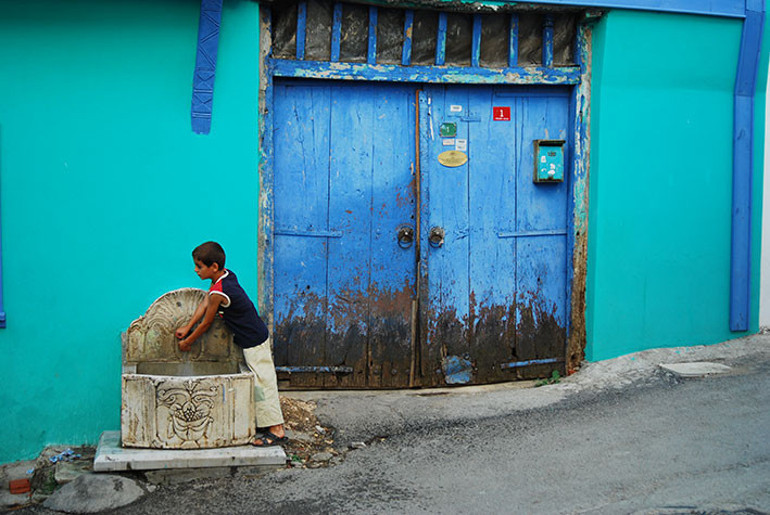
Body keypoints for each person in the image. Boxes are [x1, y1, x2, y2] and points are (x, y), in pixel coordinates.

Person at [175, 241, 287, 446]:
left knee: (264, 383)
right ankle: (266, 423)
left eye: (199, 266)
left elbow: (207, 322)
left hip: (254, 339)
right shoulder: (224, 277)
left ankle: (277, 429)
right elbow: (205, 302)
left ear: (214, 267)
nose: (195, 270)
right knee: (259, 382)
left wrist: (189, 341)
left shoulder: (220, 292)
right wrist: (187, 326)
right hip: (250, 336)